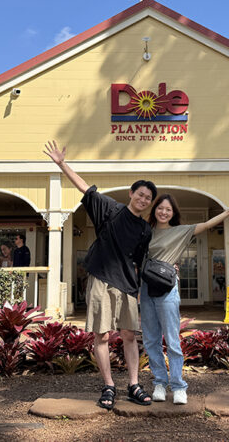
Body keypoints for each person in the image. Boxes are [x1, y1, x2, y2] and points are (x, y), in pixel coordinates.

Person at [44, 140, 155, 409]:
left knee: (129, 335)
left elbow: (139, 262)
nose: (143, 200)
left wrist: (140, 289)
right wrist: (62, 164)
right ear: (131, 193)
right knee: (102, 335)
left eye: (148, 198)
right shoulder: (110, 209)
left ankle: (134, 385)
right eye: (140, 194)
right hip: (102, 279)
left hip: (127, 285)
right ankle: (108, 386)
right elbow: (85, 187)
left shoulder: (145, 229)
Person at [143, 193, 229, 405]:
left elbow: (207, 224)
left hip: (167, 288)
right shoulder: (145, 232)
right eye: (160, 208)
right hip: (146, 288)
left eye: (168, 209)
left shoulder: (180, 231)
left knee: (172, 339)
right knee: (151, 340)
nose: (163, 212)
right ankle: (160, 383)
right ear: (154, 210)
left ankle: (178, 386)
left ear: (173, 213)